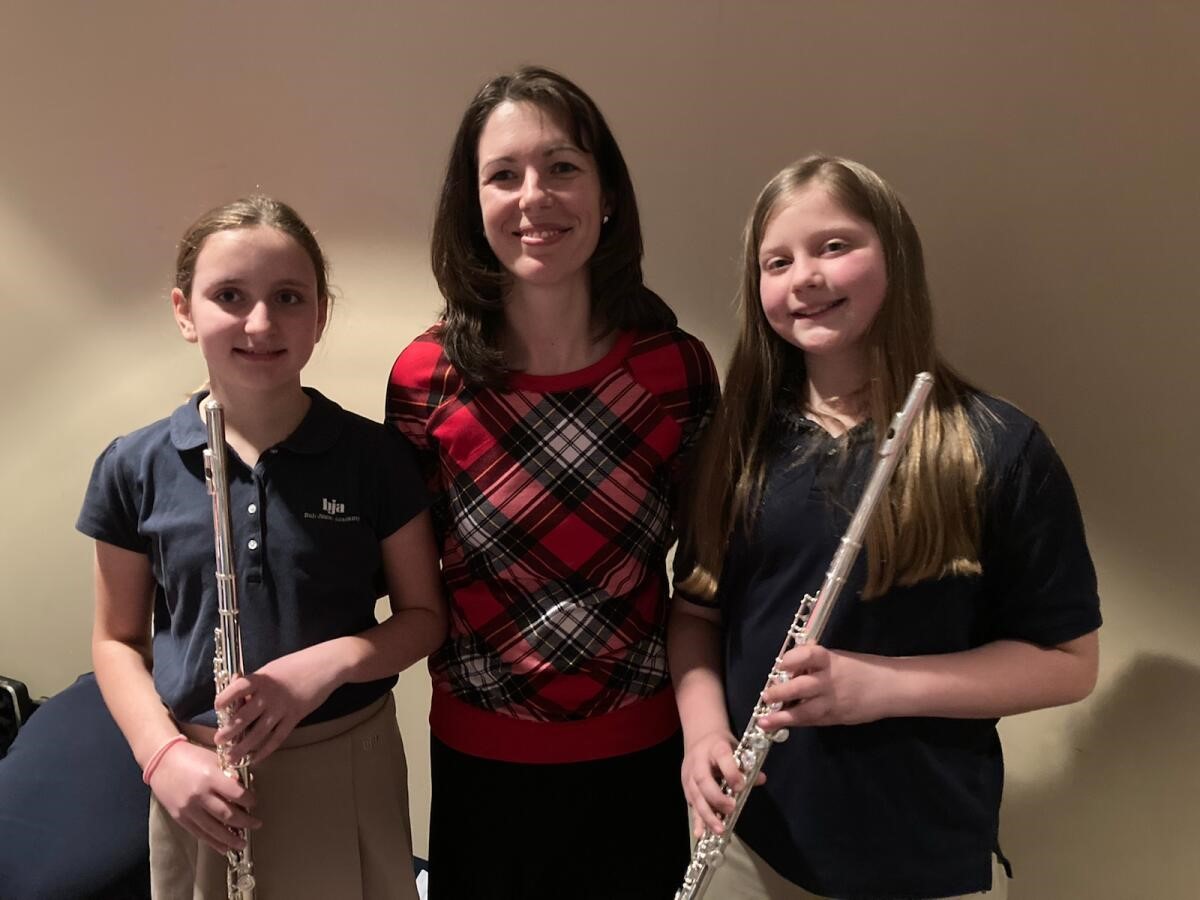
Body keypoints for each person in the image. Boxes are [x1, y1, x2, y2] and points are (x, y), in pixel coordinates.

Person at [668, 156, 1102, 900]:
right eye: (778, 260)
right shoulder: (735, 443)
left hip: (921, 853)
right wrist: (703, 732)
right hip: (752, 838)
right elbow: (696, 616)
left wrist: (877, 686)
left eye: (835, 247)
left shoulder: (995, 445)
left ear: (895, 257)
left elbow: (1069, 662)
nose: (804, 275)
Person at [386, 66, 718, 899]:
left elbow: (705, 576)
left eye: (563, 167)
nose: (535, 196)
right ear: (474, 205)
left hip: (646, 757)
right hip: (479, 764)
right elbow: (411, 587)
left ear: (607, 195)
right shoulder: (425, 379)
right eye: (504, 174)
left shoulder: (675, 369)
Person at [79, 196, 446, 899]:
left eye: (287, 297)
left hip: (345, 763)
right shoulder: (134, 466)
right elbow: (115, 640)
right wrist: (161, 759)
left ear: (320, 315)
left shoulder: (374, 458)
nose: (260, 323)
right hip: (197, 775)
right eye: (229, 296)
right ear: (185, 312)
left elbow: (425, 618)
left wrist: (330, 663)